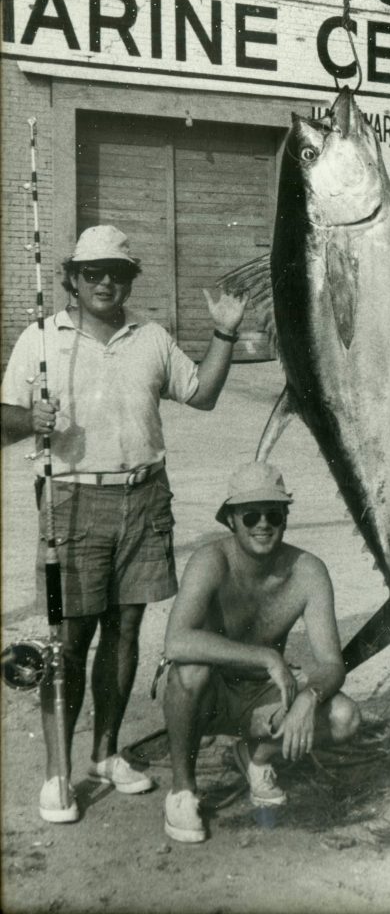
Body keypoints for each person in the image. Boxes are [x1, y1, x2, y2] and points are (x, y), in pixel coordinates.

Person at [1, 225, 248, 824]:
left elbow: (204, 394)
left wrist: (225, 332)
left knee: (125, 633)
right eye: (94, 273)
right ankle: (59, 773)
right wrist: (28, 417)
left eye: (119, 272)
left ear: (130, 279)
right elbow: (5, 420)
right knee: (69, 641)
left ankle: (106, 754)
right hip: (71, 505)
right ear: (73, 279)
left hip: (144, 499)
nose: (107, 282)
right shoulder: (40, 338)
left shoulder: (152, 338)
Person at [161, 461, 361, 844]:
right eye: (250, 515)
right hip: (208, 694)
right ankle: (183, 791)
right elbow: (176, 642)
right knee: (190, 671)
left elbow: (332, 663)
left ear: (285, 518)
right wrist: (268, 657)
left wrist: (308, 698)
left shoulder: (307, 571)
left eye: (273, 514)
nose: (262, 524)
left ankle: (256, 756)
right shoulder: (210, 560)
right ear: (231, 521)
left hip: (266, 697)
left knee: (346, 717)